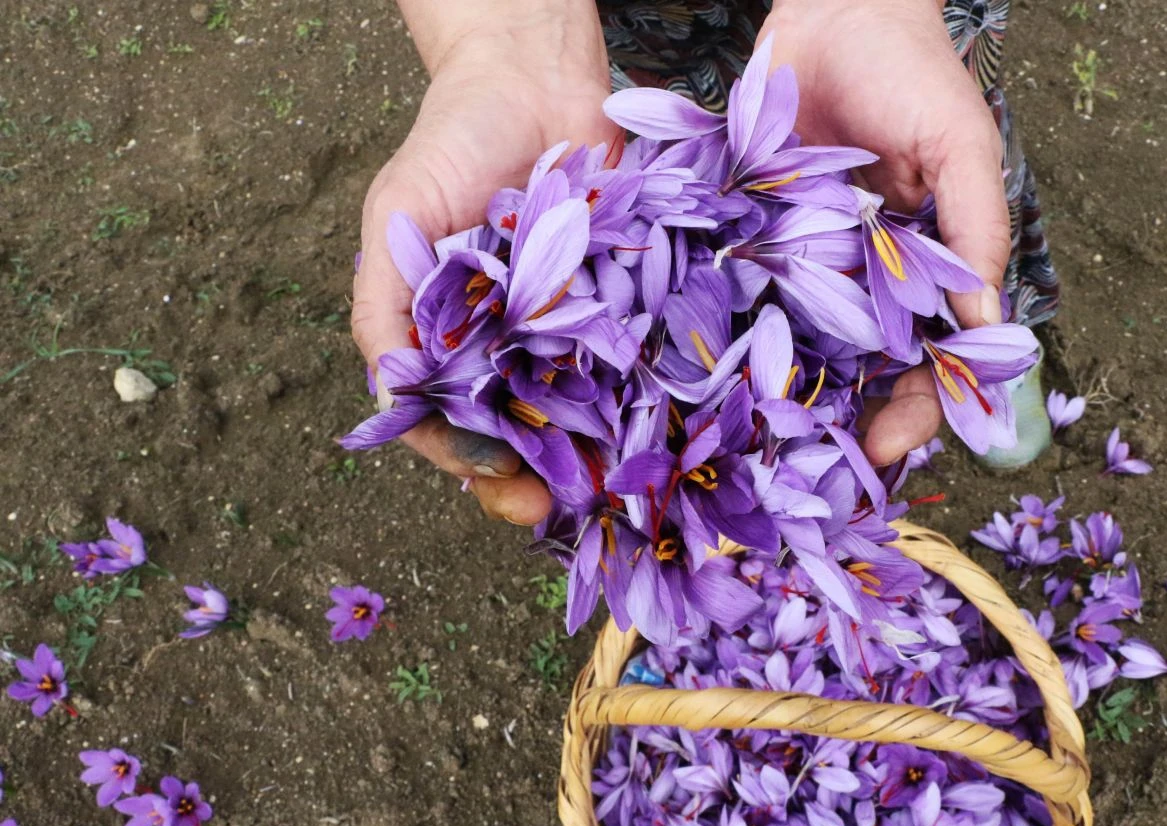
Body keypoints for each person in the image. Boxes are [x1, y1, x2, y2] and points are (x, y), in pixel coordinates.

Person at [351, 0, 1060, 526]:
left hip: (865, 41)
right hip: (597, 32)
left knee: (917, 180)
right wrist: (502, 39)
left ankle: (975, 338)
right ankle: (961, 334)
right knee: (655, 153)